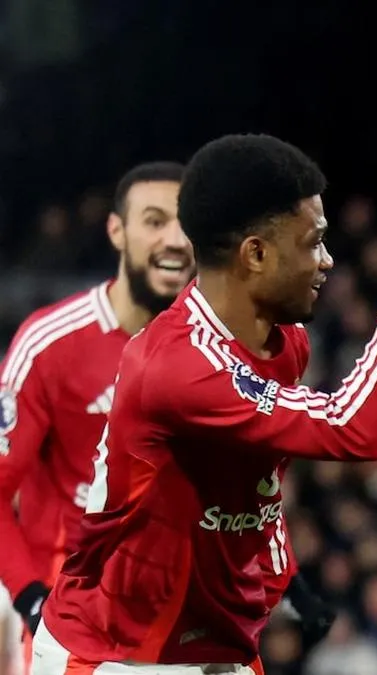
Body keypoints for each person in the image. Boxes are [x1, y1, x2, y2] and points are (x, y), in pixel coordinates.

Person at [30, 133, 377, 674]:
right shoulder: (175, 367)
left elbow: (259, 479)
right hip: (114, 655)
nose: (327, 260)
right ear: (256, 253)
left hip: (217, 649)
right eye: (313, 241)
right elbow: (351, 428)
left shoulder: (283, 341)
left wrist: (279, 575)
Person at [0, 162, 195, 674]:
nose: (174, 239)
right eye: (154, 221)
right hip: (70, 623)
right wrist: (31, 600)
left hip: (180, 623)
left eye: (187, 224)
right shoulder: (50, 344)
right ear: (116, 231)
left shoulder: (217, 347)